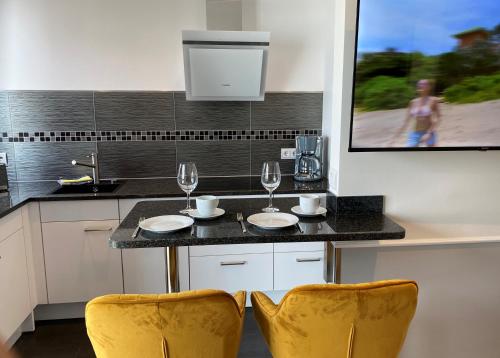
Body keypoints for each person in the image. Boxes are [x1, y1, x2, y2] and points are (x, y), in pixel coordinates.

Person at [391, 79, 441, 147]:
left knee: (433, 155)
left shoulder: (433, 100)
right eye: (419, 84)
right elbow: (406, 122)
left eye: (424, 84)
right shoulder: (413, 102)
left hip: (429, 132)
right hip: (415, 133)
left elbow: (438, 118)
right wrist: (394, 138)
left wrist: (429, 133)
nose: (421, 86)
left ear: (429, 87)